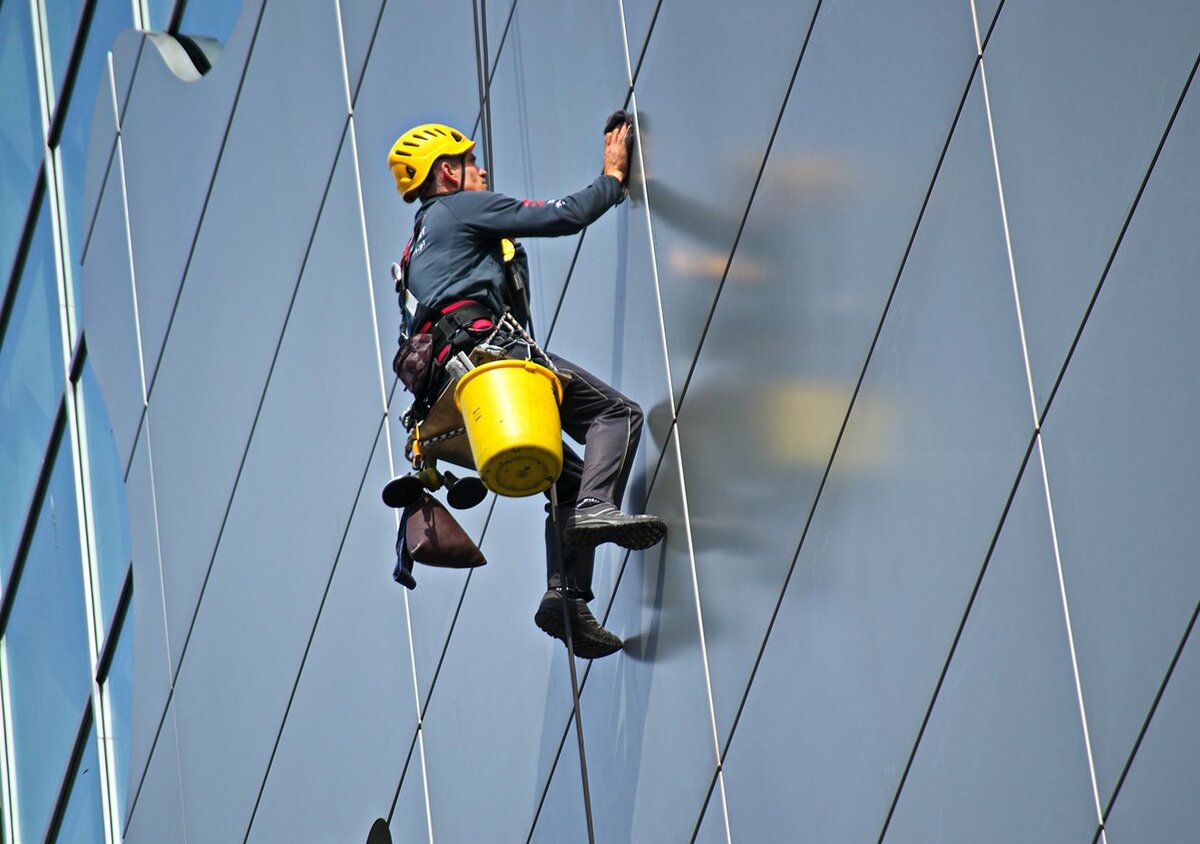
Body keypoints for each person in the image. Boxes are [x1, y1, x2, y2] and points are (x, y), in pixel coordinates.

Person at [387, 118, 665, 659]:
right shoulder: (457, 208)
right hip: (490, 360)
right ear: (447, 172)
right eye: (470, 161)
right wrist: (612, 178)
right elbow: (563, 216)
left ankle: (565, 598)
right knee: (618, 415)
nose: (482, 169)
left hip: (450, 398)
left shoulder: (415, 247)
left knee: (570, 476)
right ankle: (596, 510)